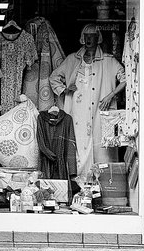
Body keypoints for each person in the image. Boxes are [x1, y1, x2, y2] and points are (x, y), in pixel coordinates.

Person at [49, 24, 125, 177]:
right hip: (77, 112)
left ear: (98, 38)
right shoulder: (72, 60)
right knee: (78, 145)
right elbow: (54, 78)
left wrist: (110, 95)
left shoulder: (109, 61)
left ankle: (104, 183)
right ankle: (79, 182)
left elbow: (126, 78)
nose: (89, 39)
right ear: (83, 38)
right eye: (87, 35)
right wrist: (64, 90)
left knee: (102, 148)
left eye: (93, 35)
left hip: (100, 110)